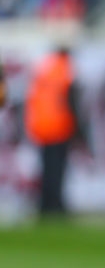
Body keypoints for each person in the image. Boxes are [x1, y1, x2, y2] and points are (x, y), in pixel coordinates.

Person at [24, 45, 84, 216]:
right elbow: (70, 100)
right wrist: (78, 128)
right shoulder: (65, 68)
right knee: (57, 169)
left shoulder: (45, 68)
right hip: (59, 125)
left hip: (41, 125)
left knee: (46, 168)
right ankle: (56, 205)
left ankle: (44, 204)